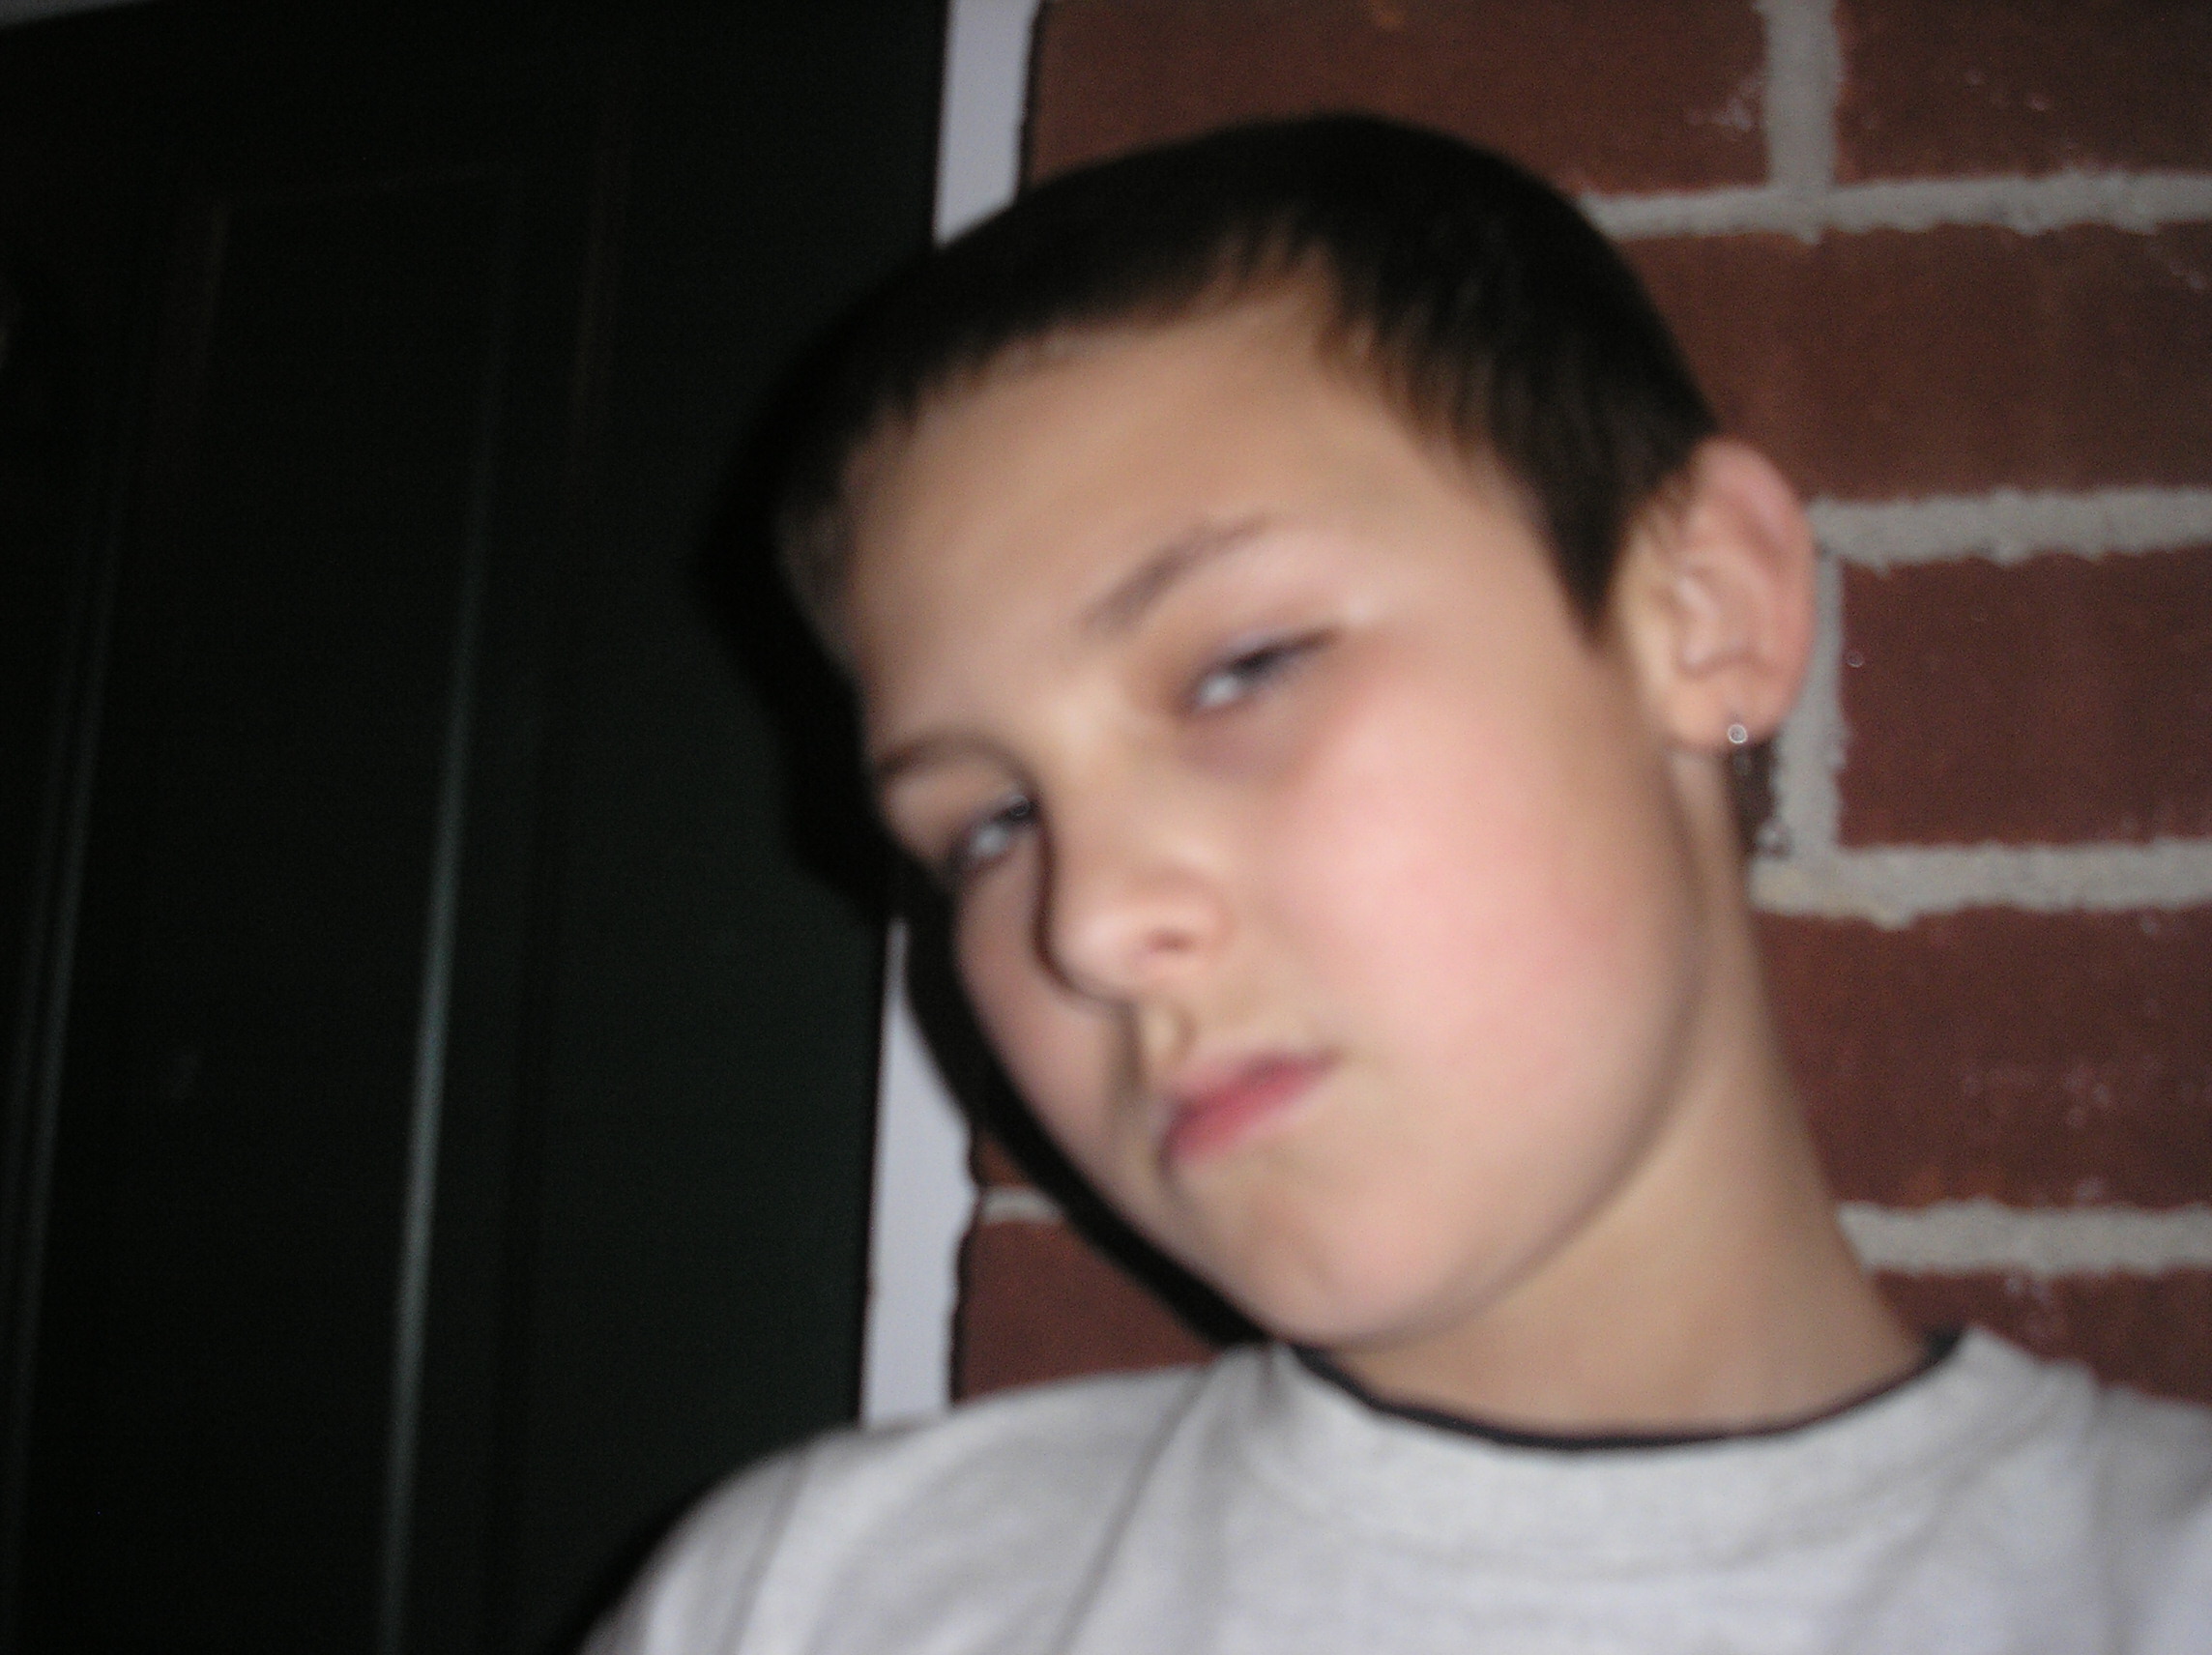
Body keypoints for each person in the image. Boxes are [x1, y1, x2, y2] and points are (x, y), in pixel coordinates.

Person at [590, 116, 2212, 1652]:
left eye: (1242, 667)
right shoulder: (810, 1601)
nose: (1091, 928)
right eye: (989, 827)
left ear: (1702, 607)